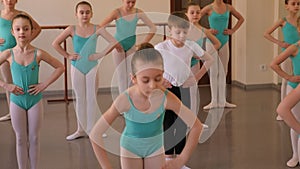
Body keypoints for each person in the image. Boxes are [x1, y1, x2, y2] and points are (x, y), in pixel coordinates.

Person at [89, 43, 203, 169]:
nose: (152, 85)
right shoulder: (125, 100)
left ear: (163, 74)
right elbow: (95, 134)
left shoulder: (166, 98)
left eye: (158, 78)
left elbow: (196, 126)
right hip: (130, 148)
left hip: (155, 148)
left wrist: (181, 159)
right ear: (134, 78)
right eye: (145, 80)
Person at [0, 14, 64, 169]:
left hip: (35, 101)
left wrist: (44, 85)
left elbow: (60, 67)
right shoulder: (8, 54)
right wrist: (6, 85)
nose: (22, 32)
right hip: (17, 101)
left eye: (26, 29)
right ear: (12, 32)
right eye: (18, 29)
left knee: (34, 138)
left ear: (31, 31)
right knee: (20, 138)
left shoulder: (38, 53)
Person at [155, 12, 214, 169]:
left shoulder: (191, 45)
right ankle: (168, 158)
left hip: (184, 88)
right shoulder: (161, 47)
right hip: (167, 90)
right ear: (170, 31)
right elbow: (151, 65)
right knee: (168, 122)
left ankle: (180, 161)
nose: (181, 36)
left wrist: (197, 77)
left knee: (182, 123)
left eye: (185, 32)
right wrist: (160, 80)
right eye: (178, 32)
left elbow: (209, 59)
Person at [52, 1, 117, 141]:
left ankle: (93, 129)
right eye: (81, 12)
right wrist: (68, 55)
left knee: (92, 98)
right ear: (76, 14)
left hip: (92, 66)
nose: (85, 15)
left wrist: (100, 54)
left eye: (87, 12)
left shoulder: (97, 28)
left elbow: (113, 42)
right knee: (80, 98)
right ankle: (80, 129)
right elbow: (55, 43)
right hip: (77, 67)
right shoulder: (72, 29)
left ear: (91, 14)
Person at [98, 0, 157, 94]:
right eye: (128, 2)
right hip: (118, 46)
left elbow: (153, 28)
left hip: (131, 45)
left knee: (132, 74)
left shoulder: (138, 12)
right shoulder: (117, 12)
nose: (130, 5)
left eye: (133, 2)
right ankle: (123, 99)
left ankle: (132, 97)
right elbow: (100, 28)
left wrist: (143, 43)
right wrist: (113, 42)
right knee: (121, 75)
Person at [0, 0, 41, 122]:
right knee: (8, 82)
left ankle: (26, 109)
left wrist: (26, 41)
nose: (9, 1)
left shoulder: (21, 15)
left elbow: (37, 28)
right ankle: (12, 112)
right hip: (3, 53)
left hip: (19, 54)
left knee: (22, 82)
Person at [200, 0, 244, 109]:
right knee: (214, 71)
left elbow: (241, 19)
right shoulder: (208, 8)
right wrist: (207, 30)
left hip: (224, 41)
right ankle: (214, 101)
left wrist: (232, 30)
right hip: (212, 42)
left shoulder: (229, 7)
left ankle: (223, 100)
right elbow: (195, 21)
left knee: (223, 71)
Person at [264, 0, 300, 121]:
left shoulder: (299, 21)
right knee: (286, 80)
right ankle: (283, 110)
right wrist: (280, 43)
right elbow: (266, 34)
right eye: (293, 3)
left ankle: (294, 105)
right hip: (288, 53)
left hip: (297, 53)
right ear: (287, 6)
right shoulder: (282, 20)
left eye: (298, 4)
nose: (296, 6)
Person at [186, 2, 221, 116]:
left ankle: (194, 118)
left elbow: (217, 43)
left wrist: (204, 54)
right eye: (192, 12)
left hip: (195, 64)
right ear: (187, 14)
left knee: (193, 91)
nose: (195, 15)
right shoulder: (183, 29)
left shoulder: (204, 31)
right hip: (182, 63)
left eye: (198, 12)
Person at [270, 39, 300, 168]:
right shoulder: (295, 47)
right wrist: (289, 77)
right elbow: (273, 64)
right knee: (295, 122)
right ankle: (295, 155)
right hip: (294, 87)